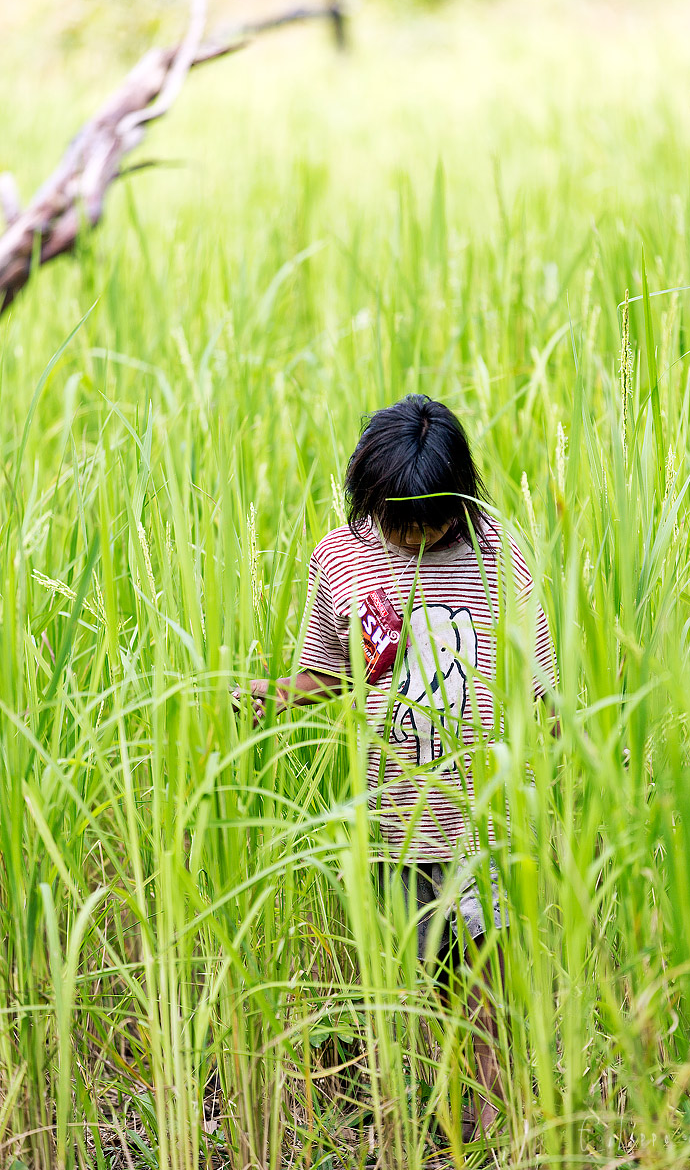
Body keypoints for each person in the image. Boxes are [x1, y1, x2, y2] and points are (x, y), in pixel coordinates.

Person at [238, 394, 558, 1142]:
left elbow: (540, 686)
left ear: (462, 499)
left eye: (433, 523)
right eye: (399, 523)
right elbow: (329, 674)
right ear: (369, 498)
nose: (415, 540)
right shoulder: (340, 558)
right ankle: (460, 1128)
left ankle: (496, 1132)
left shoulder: (497, 553)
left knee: (486, 986)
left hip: (484, 816)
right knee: (438, 984)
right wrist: (270, 696)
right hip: (394, 819)